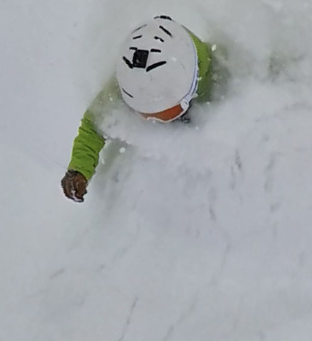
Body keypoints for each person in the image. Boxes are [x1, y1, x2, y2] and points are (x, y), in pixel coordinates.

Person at [61, 15, 215, 202]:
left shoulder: (217, 74)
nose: (153, 121)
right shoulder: (130, 80)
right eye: (146, 114)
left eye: (163, 114)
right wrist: (79, 169)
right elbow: (94, 123)